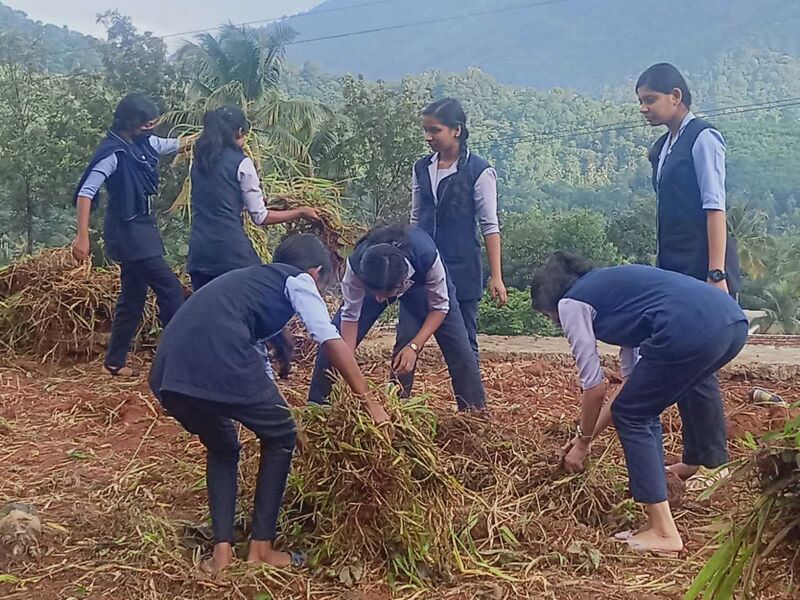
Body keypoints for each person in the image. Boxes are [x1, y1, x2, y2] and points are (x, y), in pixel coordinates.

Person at [149, 234, 389, 573]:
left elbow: (259, 369)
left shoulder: (250, 285)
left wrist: (289, 421)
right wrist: (370, 403)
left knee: (225, 448)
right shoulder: (298, 280)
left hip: (168, 375)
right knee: (279, 438)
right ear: (316, 272)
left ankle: (222, 556)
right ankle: (261, 550)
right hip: (219, 355)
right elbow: (329, 339)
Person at [530, 252, 747, 555]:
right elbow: (632, 385)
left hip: (690, 329)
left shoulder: (571, 304)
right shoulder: (616, 294)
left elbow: (594, 387)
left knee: (635, 416)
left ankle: (663, 531)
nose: (553, 322)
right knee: (648, 402)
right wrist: (589, 440)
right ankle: (688, 471)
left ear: (548, 301)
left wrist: (581, 442)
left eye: (546, 316)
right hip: (731, 321)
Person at [636, 63, 743, 482]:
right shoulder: (664, 146)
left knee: (697, 362)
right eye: (641, 102)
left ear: (676, 96)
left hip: (703, 267)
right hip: (675, 268)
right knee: (683, 362)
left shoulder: (703, 139)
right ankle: (696, 457)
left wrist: (716, 274)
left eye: (651, 100)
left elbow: (714, 208)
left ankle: (714, 463)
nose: (644, 109)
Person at [308, 225, 486, 411]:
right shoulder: (359, 266)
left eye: (385, 295)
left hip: (420, 285)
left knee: (460, 350)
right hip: (376, 281)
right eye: (377, 294)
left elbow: (440, 308)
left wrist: (414, 346)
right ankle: (318, 408)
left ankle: (474, 415)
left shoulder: (427, 257)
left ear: (402, 283)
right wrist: (347, 359)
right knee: (333, 345)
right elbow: (351, 315)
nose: (380, 300)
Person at [73, 93, 184, 377]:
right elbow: (87, 193)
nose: (151, 127)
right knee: (170, 290)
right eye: (147, 123)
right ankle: (177, 359)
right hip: (126, 230)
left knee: (133, 295)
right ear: (131, 123)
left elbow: (175, 145)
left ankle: (115, 361)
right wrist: (82, 237)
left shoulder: (144, 144)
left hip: (143, 224)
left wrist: (205, 138)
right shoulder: (114, 152)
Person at [411, 98, 507, 361]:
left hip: (462, 267)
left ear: (457, 130)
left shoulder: (479, 171)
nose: (428, 137)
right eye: (426, 130)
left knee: (465, 342)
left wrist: (496, 276)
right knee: (408, 337)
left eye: (435, 130)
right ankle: (397, 396)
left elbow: (489, 225)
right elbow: (416, 217)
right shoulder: (421, 168)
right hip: (423, 266)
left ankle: (472, 401)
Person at [186, 105, 319, 292]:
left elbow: (216, 197)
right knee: (261, 293)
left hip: (199, 253)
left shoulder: (200, 161)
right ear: (240, 132)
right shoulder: (241, 163)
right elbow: (260, 217)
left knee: (206, 310)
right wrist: (300, 211)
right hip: (230, 252)